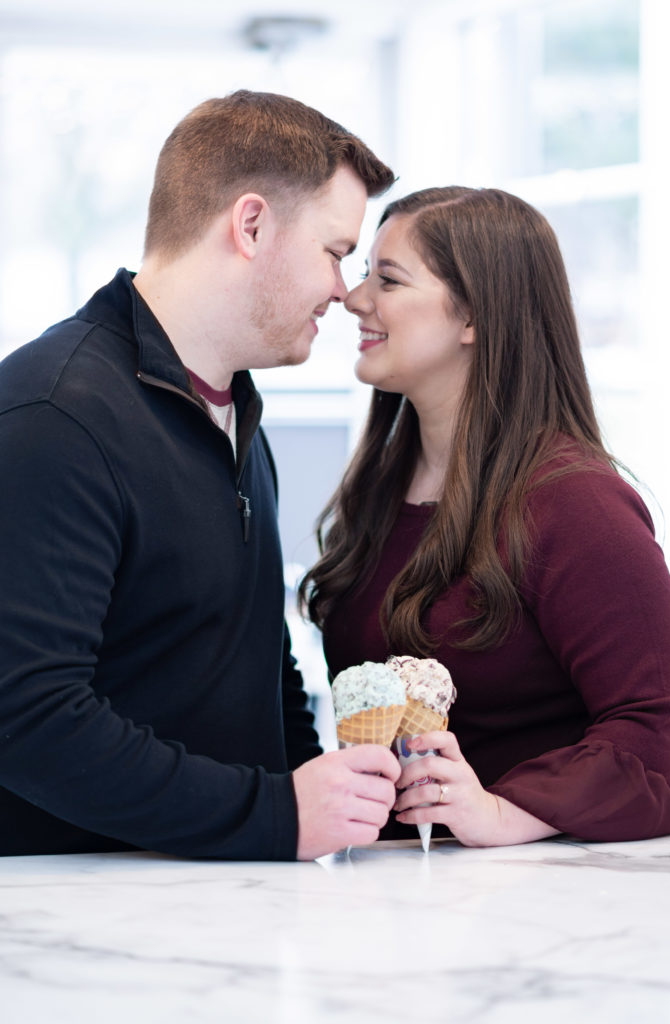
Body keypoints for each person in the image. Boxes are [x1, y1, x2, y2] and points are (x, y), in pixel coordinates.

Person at [0, 90, 401, 860]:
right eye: (335, 252)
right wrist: (275, 814)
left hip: (227, 907)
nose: (345, 292)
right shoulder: (55, 414)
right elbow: (28, 718)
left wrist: (320, 798)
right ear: (250, 225)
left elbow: (255, 652)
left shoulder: (237, 417)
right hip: (77, 923)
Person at [301, 185, 670, 846]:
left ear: (474, 314)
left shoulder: (578, 505)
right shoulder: (379, 491)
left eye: (387, 280)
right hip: (389, 895)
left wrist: (505, 812)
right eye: (365, 274)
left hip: (528, 910)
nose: (354, 299)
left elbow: (659, 732)